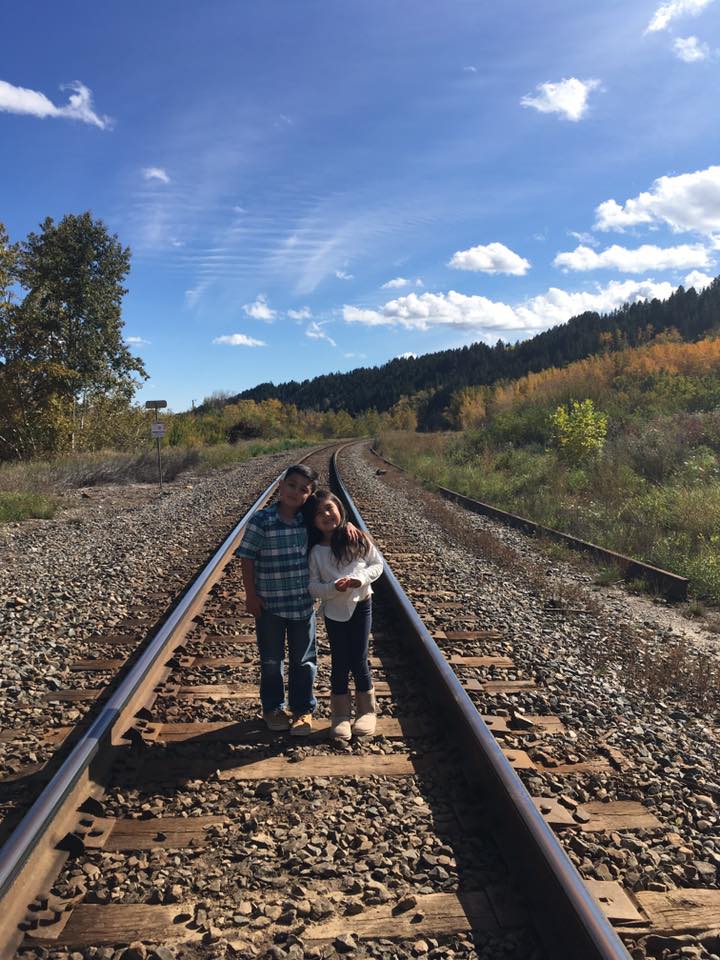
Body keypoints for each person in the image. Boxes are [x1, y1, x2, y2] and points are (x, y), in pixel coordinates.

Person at [237, 464, 319, 735]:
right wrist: (251, 595)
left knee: (304, 660)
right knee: (272, 660)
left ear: (309, 496)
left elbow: (334, 527)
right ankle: (273, 707)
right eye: (292, 485)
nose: (296, 492)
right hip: (270, 605)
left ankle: (302, 710)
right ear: (280, 486)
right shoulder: (262, 520)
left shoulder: (309, 519)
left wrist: (352, 529)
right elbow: (247, 558)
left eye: (304, 489)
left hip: (302, 605)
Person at [308, 490, 383, 740]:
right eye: (319, 513)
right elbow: (312, 586)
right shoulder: (316, 552)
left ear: (339, 509)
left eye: (329, 508)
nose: (326, 515)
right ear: (313, 521)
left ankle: (366, 711)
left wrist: (360, 579)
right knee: (340, 661)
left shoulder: (357, 538)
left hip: (362, 605)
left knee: (359, 659)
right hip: (334, 612)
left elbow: (377, 565)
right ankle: (340, 716)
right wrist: (331, 588)